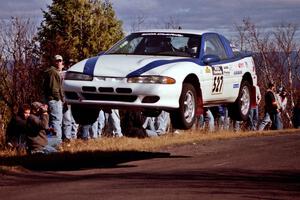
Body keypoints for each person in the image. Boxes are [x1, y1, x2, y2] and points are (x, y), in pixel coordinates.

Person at [43, 55, 65, 143]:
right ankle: (57, 142)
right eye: (57, 61)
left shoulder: (51, 71)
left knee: (52, 122)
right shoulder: (53, 72)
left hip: (50, 99)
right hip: (54, 100)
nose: (59, 62)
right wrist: (60, 99)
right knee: (56, 121)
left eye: (60, 61)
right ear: (53, 62)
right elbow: (54, 89)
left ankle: (51, 141)